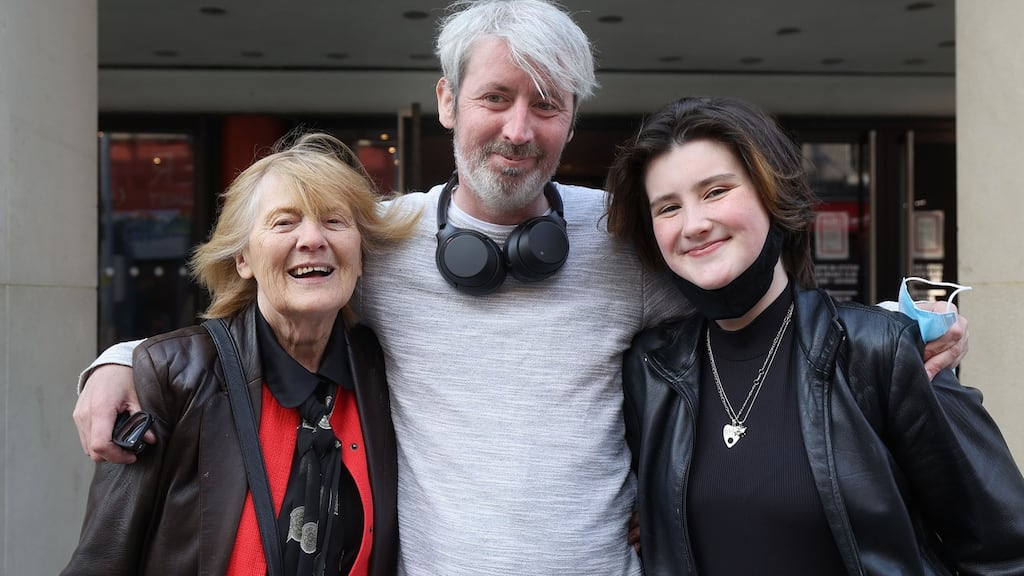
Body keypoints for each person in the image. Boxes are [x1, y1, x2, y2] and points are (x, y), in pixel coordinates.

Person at [69, 2, 969, 574]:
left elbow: (752, 304)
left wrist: (881, 337)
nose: (519, 127)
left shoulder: (628, 236)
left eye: (546, 103)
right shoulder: (379, 238)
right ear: (449, 102)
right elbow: (255, 304)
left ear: (571, 117)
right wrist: (117, 362)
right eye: (497, 97)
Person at [605, 96, 1024, 575]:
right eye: (668, 207)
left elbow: (1005, 550)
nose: (694, 224)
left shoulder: (880, 352)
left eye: (717, 191)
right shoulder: (651, 370)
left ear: (771, 193)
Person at [63, 132, 418, 575]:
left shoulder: (378, 372)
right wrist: (119, 364)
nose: (312, 238)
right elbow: (101, 560)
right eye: (284, 222)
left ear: (361, 255)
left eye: (334, 221)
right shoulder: (176, 380)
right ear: (243, 259)